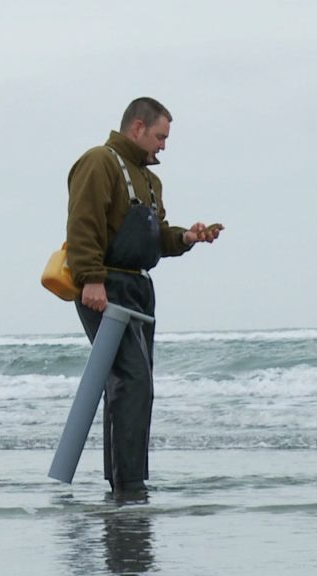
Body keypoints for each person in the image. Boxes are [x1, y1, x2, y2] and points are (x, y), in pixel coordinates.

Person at [65, 97, 221, 493]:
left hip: (138, 287)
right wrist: (92, 279)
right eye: (160, 136)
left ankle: (122, 480)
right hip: (106, 287)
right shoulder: (98, 162)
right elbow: (82, 226)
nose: (164, 145)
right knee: (133, 382)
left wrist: (186, 237)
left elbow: (156, 237)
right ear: (137, 127)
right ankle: (129, 485)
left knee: (131, 383)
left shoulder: (150, 180)